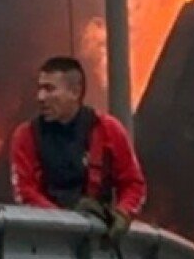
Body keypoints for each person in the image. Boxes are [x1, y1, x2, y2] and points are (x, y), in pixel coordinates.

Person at [10, 55, 147, 239]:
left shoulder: (108, 129)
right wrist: (65, 220)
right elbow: (25, 191)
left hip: (97, 242)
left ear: (75, 92)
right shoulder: (26, 135)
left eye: (50, 89)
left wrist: (122, 214)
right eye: (40, 89)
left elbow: (133, 184)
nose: (41, 97)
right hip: (45, 242)